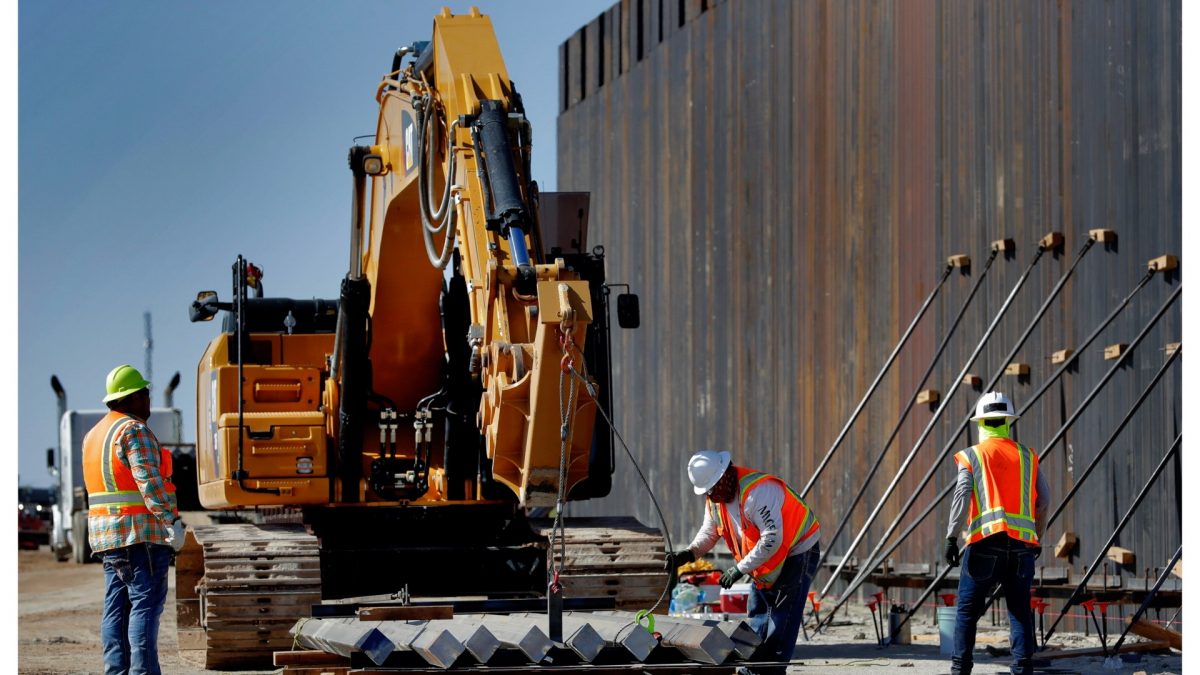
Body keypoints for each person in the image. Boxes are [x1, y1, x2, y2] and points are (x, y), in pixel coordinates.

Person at [665, 450, 821, 675]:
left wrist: (739, 569)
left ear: (726, 474)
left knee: (781, 618)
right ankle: (753, 667)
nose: (713, 494)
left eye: (714, 488)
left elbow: (772, 538)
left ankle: (771, 670)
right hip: (765, 561)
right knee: (758, 613)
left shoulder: (757, 492)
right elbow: (709, 533)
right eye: (709, 491)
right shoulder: (716, 501)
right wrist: (688, 554)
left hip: (799, 549)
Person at [84, 364, 187, 675]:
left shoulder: (94, 435)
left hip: (107, 538)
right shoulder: (133, 430)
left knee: (115, 609)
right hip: (138, 534)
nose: (148, 401)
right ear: (130, 398)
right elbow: (150, 483)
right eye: (144, 394)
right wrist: (172, 521)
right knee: (146, 605)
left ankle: (116, 671)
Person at [943, 392, 1050, 675]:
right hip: (1021, 548)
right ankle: (1023, 669)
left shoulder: (973, 455)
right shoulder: (1028, 456)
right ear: (1007, 422)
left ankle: (960, 670)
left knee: (967, 612)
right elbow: (1045, 501)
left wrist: (951, 537)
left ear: (981, 423)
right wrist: (1036, 537)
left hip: (984, 545)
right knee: (1019, 612)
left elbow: (962, 494)